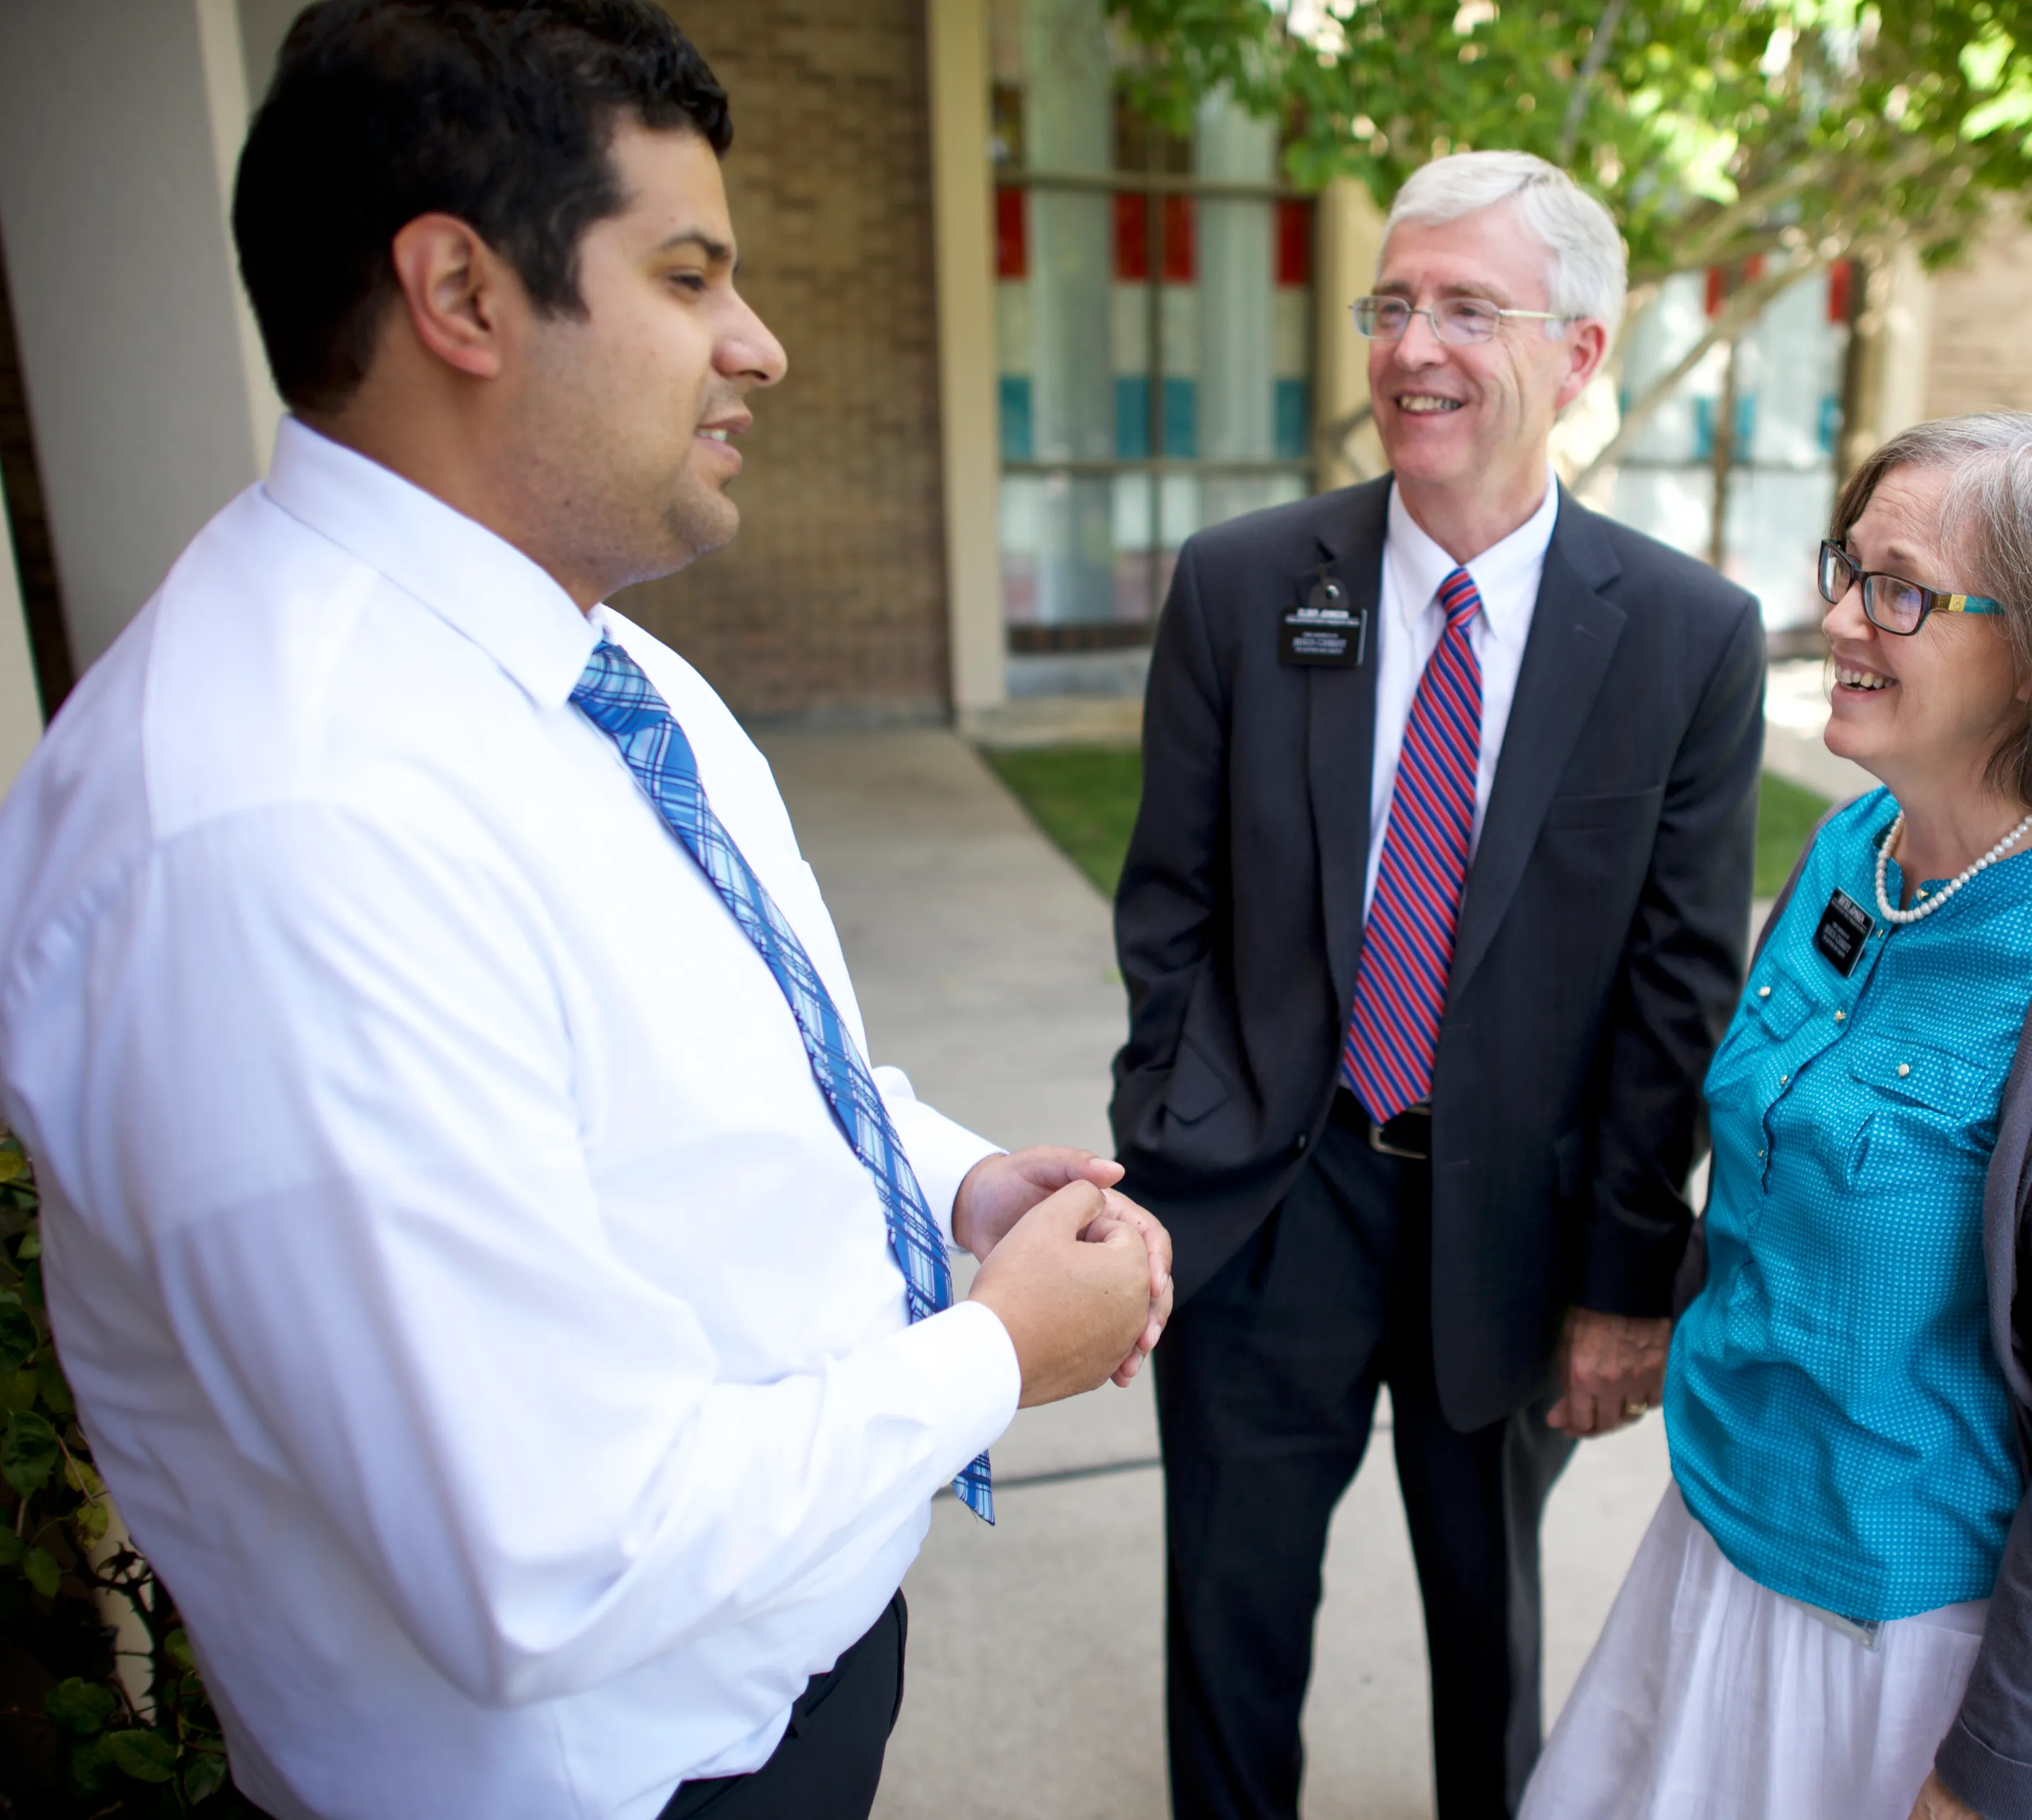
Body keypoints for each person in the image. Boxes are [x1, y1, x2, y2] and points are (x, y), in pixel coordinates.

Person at [0, 6, 1169, 1818]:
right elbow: (549, 1553)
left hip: (783, 1673)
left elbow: (734, 1073)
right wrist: (998, 1350)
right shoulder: (271, 832)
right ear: (461, 294)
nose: (759, 346)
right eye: (692, 276)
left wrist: (945, 1182)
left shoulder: (597, 664)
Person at [1111, 150, 1766, 1820]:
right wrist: (1174, 1150)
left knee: (1492, 1642)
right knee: (1228, 1625)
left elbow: (1676, 988)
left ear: (1582, 353)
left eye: (1469, 307)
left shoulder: (1687, 636)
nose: (1415, 346)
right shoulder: (1248, 585)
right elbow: (1170, 903)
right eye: (1393, 304)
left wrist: (1627, 1280)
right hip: (1270, 1209)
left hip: (1517, 1239)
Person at [1521, 412, 2032, 1820]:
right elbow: (1774, 1155)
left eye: (1901, 591)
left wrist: (1989, 1779)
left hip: (1924, 1656)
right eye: (1848, 569)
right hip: (1726, 1552)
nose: (1842, 617)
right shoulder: (1855, 850)